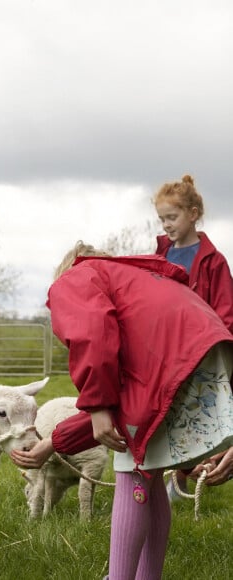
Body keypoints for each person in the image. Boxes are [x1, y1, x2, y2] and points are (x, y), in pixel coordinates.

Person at [11, 241, 233, 580]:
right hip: (205, 353)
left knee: (132, 467)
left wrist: (98, 405)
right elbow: (128, 406)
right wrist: (54, 443)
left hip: (178, 360)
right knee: (150, 470)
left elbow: (91, 331)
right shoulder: (137, 287)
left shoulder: (76, 278)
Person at [153, 174, 233, 499]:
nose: (166, 225)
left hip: (204, 351)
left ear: (193, 213)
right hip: (168, 350)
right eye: (161, 219)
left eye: (171, 217)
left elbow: (226, 312)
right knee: (169, 412)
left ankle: (202, 469)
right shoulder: (160, 255)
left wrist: (216, 351)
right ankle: (175, 477)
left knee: (202, 413)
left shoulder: (213, 261)